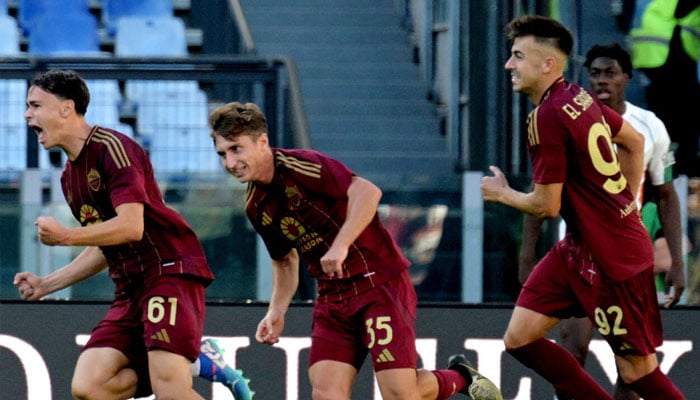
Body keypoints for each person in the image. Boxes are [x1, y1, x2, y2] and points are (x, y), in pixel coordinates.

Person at [207, 101, 502, 400]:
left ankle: (462, 377)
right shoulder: (256, 207)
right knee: (326, 394)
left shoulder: (301, 166)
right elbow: (284, 261)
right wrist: (276, 311)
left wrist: (341, 244)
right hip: (332, 298)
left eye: (236, 149)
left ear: (262, 142)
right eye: (222, 154)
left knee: (401, 394)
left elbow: (367, 192)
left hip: (378, 284)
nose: (230, 163)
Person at [13, 69, 253, 400]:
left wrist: (66, 237)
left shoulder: (112, 148)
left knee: (171, 391)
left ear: (66, 108)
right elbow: (105, 243)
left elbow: (131, 226)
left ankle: (186, 363)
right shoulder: (70, 177)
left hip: (167, 270)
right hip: (130, 288)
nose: (27, 114)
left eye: (35, 105)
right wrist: (47, 284)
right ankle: (196, 361)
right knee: (90, 386)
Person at [482, 15, 685, 399]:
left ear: (548, 64)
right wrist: (622, 198)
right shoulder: (577, 95)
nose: (509, 65)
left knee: (636, 370)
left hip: (614, 262)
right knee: (519, 338)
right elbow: (633, 141)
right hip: (579, 248)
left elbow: (545, 205)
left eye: (517, 56)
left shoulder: (546, 117)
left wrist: (501, 193)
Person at [629, 0, 700, 177]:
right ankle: (672, 170)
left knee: (669, 119)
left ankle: (668, 170)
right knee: (681, 119)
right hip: (668, 52)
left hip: (657, 53)